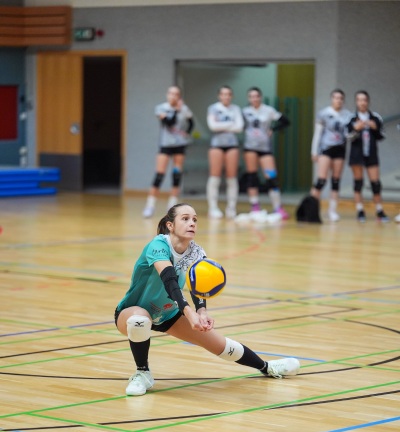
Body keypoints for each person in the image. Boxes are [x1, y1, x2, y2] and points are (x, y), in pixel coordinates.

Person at [115, 203, 300, 396]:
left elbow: (199, 285)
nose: (192, 223)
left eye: (194, 219)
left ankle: (267, 367)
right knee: (139, 320)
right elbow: (169, 280)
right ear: (170, 225)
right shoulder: (158, 245)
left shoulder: (196, 252)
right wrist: (189, 312)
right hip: (132, 311)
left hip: (167, 314)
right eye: (185, 219)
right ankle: (142, 373)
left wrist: (202, 311)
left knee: (221, 346)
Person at [142, 86, 194, 218]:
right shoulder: (161, 108)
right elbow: (169, 122)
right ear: (167, 95)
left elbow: (191, 122)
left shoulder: (184, 109)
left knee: (176, 174)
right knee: (159, 174)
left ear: (179, 96)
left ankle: (172, 206)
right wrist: (176, 110)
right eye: (171, 93)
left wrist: (186, 133)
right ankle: (150, 205)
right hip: (165, 145)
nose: (173, 96)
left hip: (179, 145)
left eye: (176, 94)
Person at [242, 87, 290, 220]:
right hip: (250, 147)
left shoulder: (268, 110)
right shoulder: (245, 112)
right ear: (248, 98)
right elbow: (239, 125)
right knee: (252, 177)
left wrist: (273, 129)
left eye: (256, 96)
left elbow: (286, 121)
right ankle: (255, 206)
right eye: (251, 96)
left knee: (271, 177)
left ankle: (278, 207)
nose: (254, 99)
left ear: (260, 97)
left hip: (265, 149)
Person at [310, 89, 352, 222]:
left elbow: (349, 134)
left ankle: (332, 211)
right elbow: (317, 134)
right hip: (326, 149)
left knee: (336, 181)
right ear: (331, 99)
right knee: (321, 180)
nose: (338, 100)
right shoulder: (323, 113)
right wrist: (314, 151)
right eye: (336, 98)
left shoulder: (348, 115)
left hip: (340, 149)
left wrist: (354, 132)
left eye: (341, 98)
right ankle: (312, 208)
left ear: (343, 100)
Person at [347, 90, 389, 222]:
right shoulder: (351, 118)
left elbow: (382, 135)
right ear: (356, 102)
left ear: (368, 101)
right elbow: (347, 137)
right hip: (356, 155)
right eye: (359, 100)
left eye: (364, 100)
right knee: (358, 183)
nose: (362, 102)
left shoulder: (375, 117)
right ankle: (360, 210)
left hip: (371, 154)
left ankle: (379, 210)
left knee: (376, 184)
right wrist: (356, 129)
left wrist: (375, 128)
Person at [206, 86, 244, 219]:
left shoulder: (236, 109)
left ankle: (231, 207)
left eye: (228, 94)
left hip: (232, 145)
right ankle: (213, 207)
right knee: (215, 176)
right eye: (223, 94)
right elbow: (212, 126)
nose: (226, 96)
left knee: (231, 177)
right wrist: (230, 124)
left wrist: (221, 125)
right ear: (219, 96)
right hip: (216, 145)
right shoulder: (213, 108)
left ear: (231, 96)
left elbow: (239, 127)